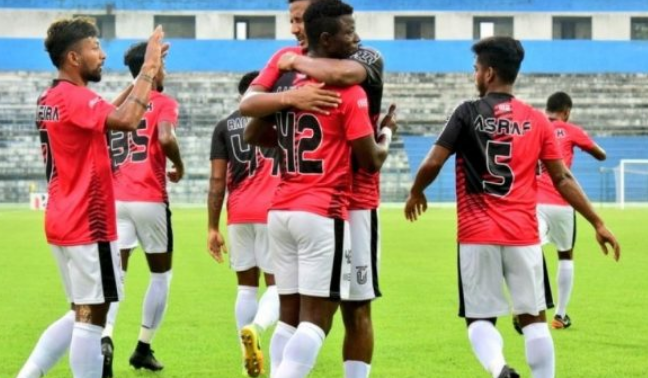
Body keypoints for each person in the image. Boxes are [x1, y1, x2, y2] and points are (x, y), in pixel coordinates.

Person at [404, 36, 620, 378]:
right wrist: (597, 221)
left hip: (477, 235)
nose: (474, 75)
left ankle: (499, 368)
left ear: (488, 73)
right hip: (523, 235)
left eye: (476, 69)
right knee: (534, 320)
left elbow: (433, 161)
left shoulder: (465, 112)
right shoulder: (537, 120)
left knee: (479, 319)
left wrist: (416, 191)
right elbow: (562, 179)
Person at [242, 2, 396, 377]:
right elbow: (369, 159)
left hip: (288, 203)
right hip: (337, 204)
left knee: (295, 316)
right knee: (334, 314)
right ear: (325, 34)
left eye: (299, 19)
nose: (295, 26)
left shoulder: (349, 60)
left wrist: (291, 86)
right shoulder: (344, 91)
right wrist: (386, 136)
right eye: (292, 19)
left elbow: (252, 129)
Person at [17, 18, 165, 378]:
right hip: (89, 221)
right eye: (94, 48)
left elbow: (104, 112)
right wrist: (148, 68)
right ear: (73, 57)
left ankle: (27, 374)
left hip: (61, 218)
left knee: (79, 311)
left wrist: (136, 84)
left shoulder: (50, 97)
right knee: (92, 318)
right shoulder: (76, 98)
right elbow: (128, 120)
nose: (102, 55)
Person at [99, 41, 184, 377]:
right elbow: (165, 138)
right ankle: (143, 347)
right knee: (161, 276)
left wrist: (138, 79)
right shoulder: (163, 102)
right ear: (153, 66)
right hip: (149, 199)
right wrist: (179, 165)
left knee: (117, 276)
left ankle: (104, 337)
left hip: (115, 199)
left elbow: (104, 123)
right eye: (161, 63)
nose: (165, 69)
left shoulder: (119, 106)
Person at [207, 71, 281, 377]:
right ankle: (258, 328)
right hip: (274, 211)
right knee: (281, 286)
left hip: (238, 214)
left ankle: (245, 355)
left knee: (246, 287)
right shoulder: (280, 120)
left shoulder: (224, 127)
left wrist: (212, 226)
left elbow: (216, 180)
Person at [537, 91, 607, 329]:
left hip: (533, 203)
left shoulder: (534, 127)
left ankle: (531, 304)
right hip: (563, 202)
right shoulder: (570, 129)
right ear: (566, 111)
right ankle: (560, 315)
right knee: (565, 254)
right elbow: (601, 154)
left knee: (528, 251)